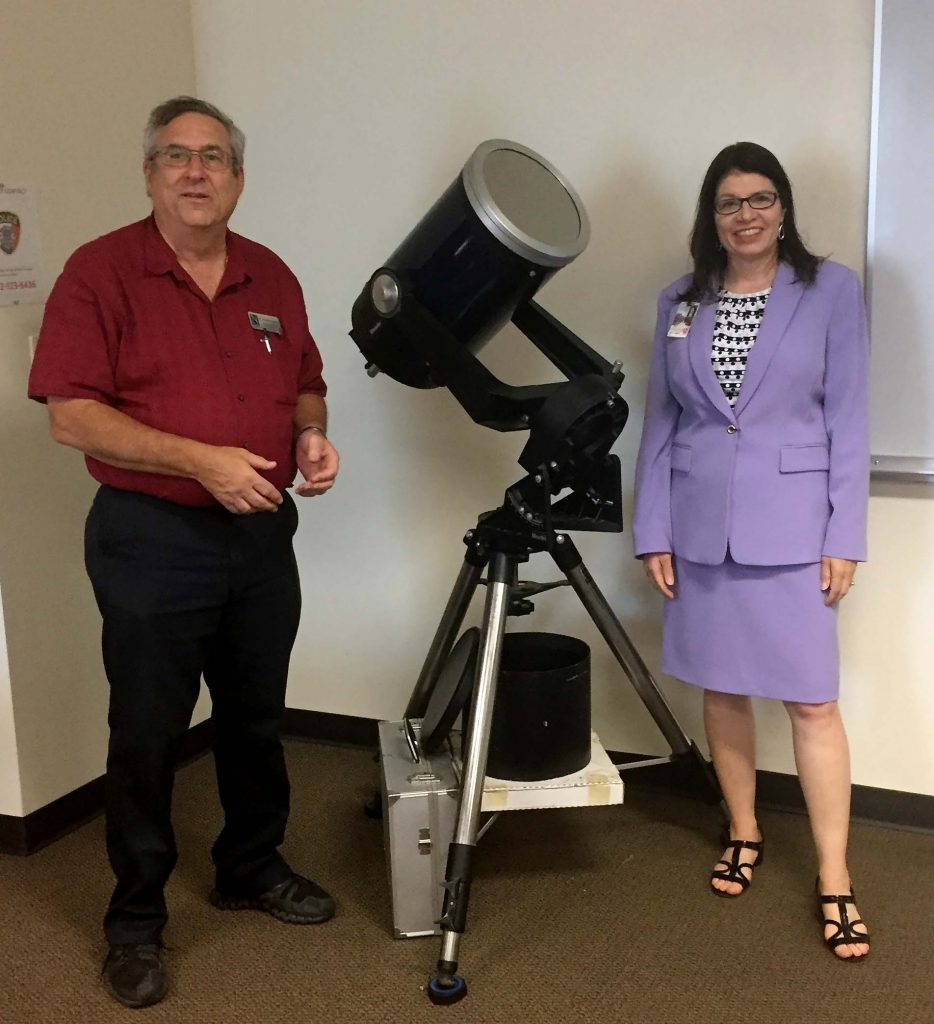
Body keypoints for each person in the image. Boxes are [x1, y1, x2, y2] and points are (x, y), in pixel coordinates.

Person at [28, 96, 341, 1007]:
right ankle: (134, 921)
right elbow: (71, 415)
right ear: (150, 174)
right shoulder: (102, 272)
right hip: (150, 538)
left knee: (254, 714)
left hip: (259, 532)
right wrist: (198, 460)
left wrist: (312, 435)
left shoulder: (271, 277)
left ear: (238, 178)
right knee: (149, 733)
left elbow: (308, 383)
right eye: (176, 156)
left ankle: (250, 865)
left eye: (213, 157)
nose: (195, 171)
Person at [631, 142, 870, 961]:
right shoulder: (680, 300)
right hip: (699, 529)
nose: (747, 215)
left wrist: (844, 536)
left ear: (784, 206)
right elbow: (661, 423)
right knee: (724, 690)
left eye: (761, 198)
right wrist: (651, 528)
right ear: (712, 216)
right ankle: (743, 829)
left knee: (812, 703)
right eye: (730, 203)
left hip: (797, 530)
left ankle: (834, 876)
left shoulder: (832, 291)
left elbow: (851, 419)